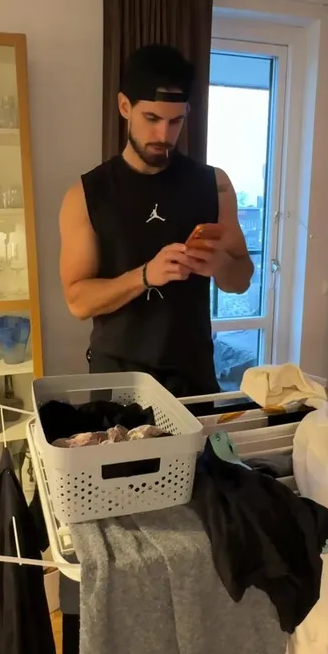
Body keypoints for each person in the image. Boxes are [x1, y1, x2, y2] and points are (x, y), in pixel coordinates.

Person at [59, 43, 253, 398]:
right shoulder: (86, 195)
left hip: (193, 378)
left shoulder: (215, 185)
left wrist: (220, 264)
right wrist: (145, 275)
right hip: (118, 382)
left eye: (175, 121)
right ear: (124, 107)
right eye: (152, 119)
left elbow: (241, 279)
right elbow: (77, 301)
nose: (164, 136)